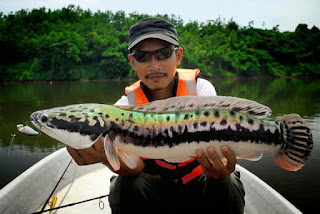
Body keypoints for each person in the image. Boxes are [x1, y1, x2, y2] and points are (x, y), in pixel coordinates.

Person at [67, 17, 245, 214]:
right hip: (157, 190)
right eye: (143, 56)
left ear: (178, 56)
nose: (154, 65)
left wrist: (220, 170)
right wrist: (105, 158)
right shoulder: (124, 107)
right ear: (132, 62)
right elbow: (135, 166)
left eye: (163, 54)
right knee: (124, 186)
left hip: (200, 183)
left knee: (227, 183)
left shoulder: (201, 90)